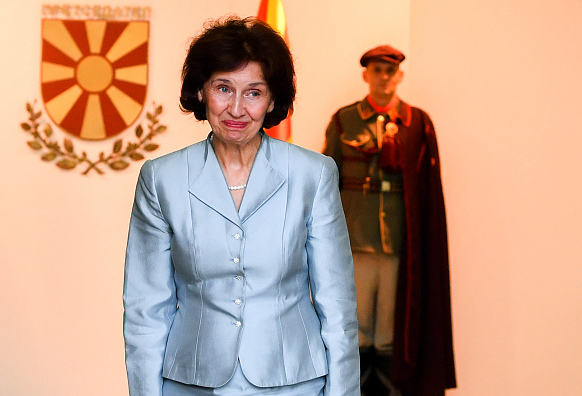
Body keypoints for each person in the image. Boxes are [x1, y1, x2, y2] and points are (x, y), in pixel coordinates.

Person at [123, 16, 360, 396]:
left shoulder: (312, 174)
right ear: (201, 92)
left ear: (272, 101)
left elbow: (338, 307)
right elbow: (145, 310)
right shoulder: (161, 178)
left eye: (253, 92)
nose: (236, 109)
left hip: (294, 382)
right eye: (223, 88)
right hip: (192, 383)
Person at [322, 45, 456, 396]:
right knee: (358, 325)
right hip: (356, 239)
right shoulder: (344, 120)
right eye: (376, 70)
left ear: (399, 75)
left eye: (389, 70)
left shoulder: (417, 122)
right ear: (365, 75)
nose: (383, 76)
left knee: (390, 329)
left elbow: (427, 188)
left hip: (399, 242)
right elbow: (326, 182)